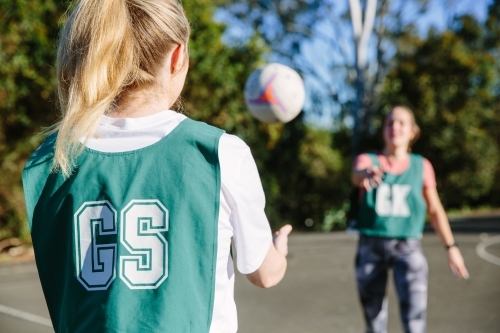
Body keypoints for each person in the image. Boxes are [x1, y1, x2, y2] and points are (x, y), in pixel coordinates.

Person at [22, 0, 292, 332]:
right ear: (178, 57)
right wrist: (277, 249)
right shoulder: (217, 153)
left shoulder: (50, 159)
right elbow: (265, 274)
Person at [351, 106, 469, 333]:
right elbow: (357, 174)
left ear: (413, 131)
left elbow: (435, 209)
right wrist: (365, 174)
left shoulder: (421, 166)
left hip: (407, 246)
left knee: (415, 320)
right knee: (374, 322)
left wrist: (451, 247)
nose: (394, 127)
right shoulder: (368, 160)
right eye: (389, 122)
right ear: (383, 129)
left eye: (401, 122)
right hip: (371, 246)